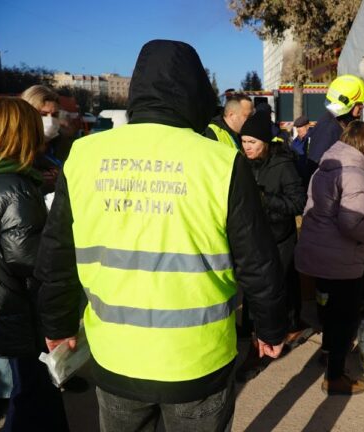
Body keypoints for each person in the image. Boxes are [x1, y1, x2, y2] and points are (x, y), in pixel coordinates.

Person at [35, 40, 287, 432]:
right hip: (197, 362)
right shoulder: (221, 160)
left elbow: (56, 255)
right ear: (195, 91)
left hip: (116, 357)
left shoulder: (84, 156)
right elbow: (257, 259)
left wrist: (57, 324)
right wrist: (270, 327)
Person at [0, 96, 70, 431]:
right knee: (33, 396)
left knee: (29, 390)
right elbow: (30, 259)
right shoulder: (12, 185)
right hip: (20, 309)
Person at [295, 121, 364, 396]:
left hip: (317, 252)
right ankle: (335, 376)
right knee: (345, 317)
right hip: (339, 258)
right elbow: (352, 223)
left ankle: (328, 353)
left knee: (329, 310)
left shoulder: (324, 169)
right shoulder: (356, 176)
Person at [235, 110, 312, 381]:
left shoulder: (283, 165)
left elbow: (298, 203)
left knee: (266, 293)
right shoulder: (243, 163)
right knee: (274, 288)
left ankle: (259, 351)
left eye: (252, 142)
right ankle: (289, 326)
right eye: (243, 141)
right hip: (254, 238)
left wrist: (266, 201)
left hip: (279, 239)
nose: (247, 147)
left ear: (265, 143)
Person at [304, 74, 364, 184]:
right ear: (346, 104)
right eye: (359, 103)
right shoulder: (328, 130)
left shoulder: (336, 124)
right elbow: (317, 172)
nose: (362, 106)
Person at [20, 85, 66, 195]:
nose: (50, 121)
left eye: (55, 115)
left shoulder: (59, 147)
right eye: (43, 114)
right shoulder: (16, 152)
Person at [290, 115, 312, 185]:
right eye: (297, 127)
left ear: (307, 126)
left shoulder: (313, 138)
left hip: (311, 176)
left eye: (300, 126)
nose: (298, 129)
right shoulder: (295, 142)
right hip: (298, 178)